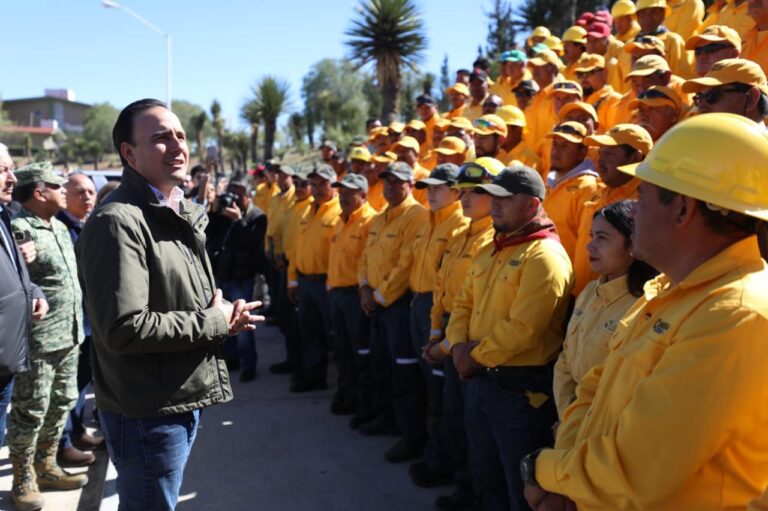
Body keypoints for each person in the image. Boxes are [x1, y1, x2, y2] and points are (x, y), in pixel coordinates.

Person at [522, 113, 768, 511]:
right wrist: (570, 480)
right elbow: (594, 390)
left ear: (683, 209)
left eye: (644, 195)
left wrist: (543, 469)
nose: (631, 211)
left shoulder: (735, 314)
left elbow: (634, 470)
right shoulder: (669, 290)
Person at [77, 99, 262, 510]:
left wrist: (222, 316)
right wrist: (213, 322)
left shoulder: (174, 212)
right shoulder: (119, 222)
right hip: (148, 410)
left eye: (180, 135)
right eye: (161, 138)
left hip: (173, 399)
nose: (178, 145)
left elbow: (178, 298)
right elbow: (125, 327)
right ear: (129, 153)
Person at [445, 165, 573, 510]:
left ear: (532, 205)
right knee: (486, 474)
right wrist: (457, 345)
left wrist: (472, 356)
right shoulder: (492, 246)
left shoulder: (545, 257)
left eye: (505, 198)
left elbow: (524, 329)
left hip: (518, 395)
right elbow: (463, 302)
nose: (494, 204)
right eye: (492, 196)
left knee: (520, 489)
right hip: (480, 381)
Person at [420, 158, 502, 511]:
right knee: (454, 411)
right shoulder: (459, 232)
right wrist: (437, 330)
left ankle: (472, 490)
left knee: (474, 422)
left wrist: (451, 342)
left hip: (473, 337)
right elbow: (442, 286)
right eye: (465, 192)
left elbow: (479, 301)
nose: (467, 199)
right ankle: (460, 481)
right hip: (452, 328)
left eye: (477, 192)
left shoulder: (492, 237)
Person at [7, 162, 87, 509]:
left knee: (62, 403)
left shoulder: (56, 226)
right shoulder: (19, 229)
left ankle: (47, 464)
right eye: (59, 186)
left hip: (69, 335)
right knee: (31, 410)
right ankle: (23, 477)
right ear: (39, 192)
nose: (65, 191)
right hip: (39, 342)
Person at [553, 200, 658, 417]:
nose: (589, 246)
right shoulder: (590, 291)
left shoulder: (644, 304)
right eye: (592, 236)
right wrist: (568, 415)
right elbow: (565, 360)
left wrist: (580, 421)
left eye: (602, 238)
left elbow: (625, 385)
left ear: (632, 245)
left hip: (602, 424)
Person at [357, 162, 429, 460]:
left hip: (396, 305)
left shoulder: (416, 216)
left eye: (396, 182)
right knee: (381, 366)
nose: (389, 187)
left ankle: (410, 435)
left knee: (405, 374)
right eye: (386, 182)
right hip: (375, 303)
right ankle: (386, 418)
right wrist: (364, 288)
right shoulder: (381, 216)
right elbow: (365, 256)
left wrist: (380, 296)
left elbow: (406, 264)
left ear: (410, 184)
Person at [0, 149, 50, 511]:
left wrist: (33, 292)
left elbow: (16, 278)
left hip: (7, 358)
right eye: (3, 170)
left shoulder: (3, 216)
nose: (12, 179)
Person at [407, 163, 467, 464]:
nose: (430, 193)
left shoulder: (459, 225)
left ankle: (440, 454)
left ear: (456, 191)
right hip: (419, 303)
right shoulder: (427, 221)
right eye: (428, 187)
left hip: (440, 308)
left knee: (441, 387)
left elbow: (446, 281)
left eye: (437, 187)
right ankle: (428, 444)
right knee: (424, 380)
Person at [55, 173, 104, 469]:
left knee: (81, 382)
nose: (87, 197)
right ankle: (63, 444)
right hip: (67, 324)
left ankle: (75, 432)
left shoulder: (88, 225)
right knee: (65, 387)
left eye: (90, 191)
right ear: (65, 195)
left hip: (88, 320)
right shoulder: (61, 227)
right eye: (79, 192)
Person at [572, 123, 654, 295]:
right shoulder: (600, 191)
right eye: (600, 153)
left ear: (635, 157)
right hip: (584, 297)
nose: (599, 161)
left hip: (617, 302)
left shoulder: (646, 202)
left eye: (609, 154)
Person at [327, 173, 377, 423]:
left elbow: (369, 262)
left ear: (364, 195)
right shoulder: (340, 220)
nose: (343, 196)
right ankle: (347, 396)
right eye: (341, 191)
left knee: (361, 354)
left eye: (350, 192)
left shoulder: (370, 221)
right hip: (337, 295)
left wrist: (363, 290)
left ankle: (365, 405)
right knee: (342, 350)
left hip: (355, 297)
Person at [206, 180, 267, 382]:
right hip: (223, 275)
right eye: (231, 194)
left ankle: (249, 364)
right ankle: (231, 359)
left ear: (248, 197)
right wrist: (215, 212)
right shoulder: (223, 214)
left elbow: (253, 246)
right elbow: (209, 236)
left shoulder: (257, 217)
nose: (233, 199)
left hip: (243, 277)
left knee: (243, 324)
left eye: (238, 196)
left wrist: (238, 221)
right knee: (225, 323)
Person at [288, 164, 341, 392]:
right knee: (310, 333)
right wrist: (293, 279)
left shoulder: (339, 211)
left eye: (323, 184)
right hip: (305, 281)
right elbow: (298, 247)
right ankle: (314, 377)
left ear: (334, 186)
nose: (318, 189)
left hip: (326, 283)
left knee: (335, 336)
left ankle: (344, 386)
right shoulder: (307, 209)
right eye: (315, 184)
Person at [274, 168, 314, 374]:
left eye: (304, 184)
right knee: (285, 317)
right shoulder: (294, 206)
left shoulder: (311, 208)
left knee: (301, 323)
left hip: (300, 271)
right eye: (296, 184)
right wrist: (279, 253)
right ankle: (293, 358)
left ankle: (303, 364)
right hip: (288, 266)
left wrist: (294, 278)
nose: (299, 188)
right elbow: (282, 232)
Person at [542, 121, 600, 261]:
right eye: (555, 144)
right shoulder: (550, 180)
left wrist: (578, 282)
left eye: (565, 146)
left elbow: (586, 246)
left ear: (582, 152)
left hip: (568, 275)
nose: (556, 150)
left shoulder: (589, 187)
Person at [635, 0, 695, 78]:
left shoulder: (673, 40)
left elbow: (681, 77)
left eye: (654, 12)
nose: (648, 17)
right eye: (643, 13)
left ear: (663, 14)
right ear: (637, 17)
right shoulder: (630, 45)